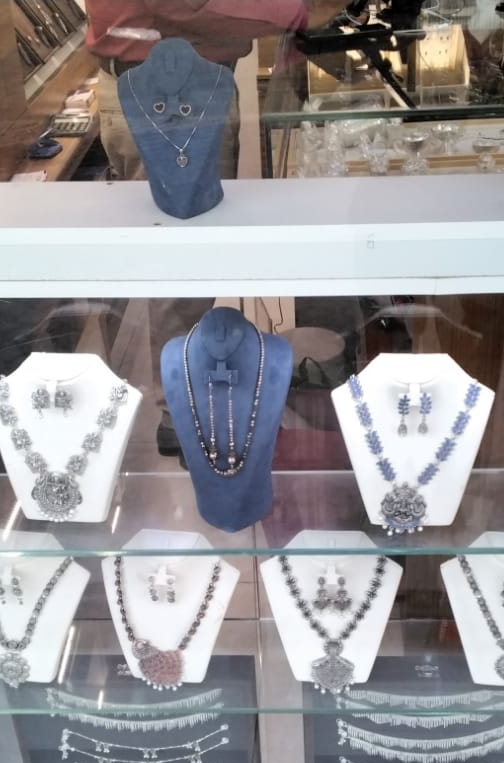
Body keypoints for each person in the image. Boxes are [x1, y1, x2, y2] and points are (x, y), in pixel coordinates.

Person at [85, 0, 309, 456]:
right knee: (179, 261)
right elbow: (186, 6)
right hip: (167, 94)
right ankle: (182, 413)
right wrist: (297, 11)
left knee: (183, 256)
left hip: (179, 84)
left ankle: (185, 393)